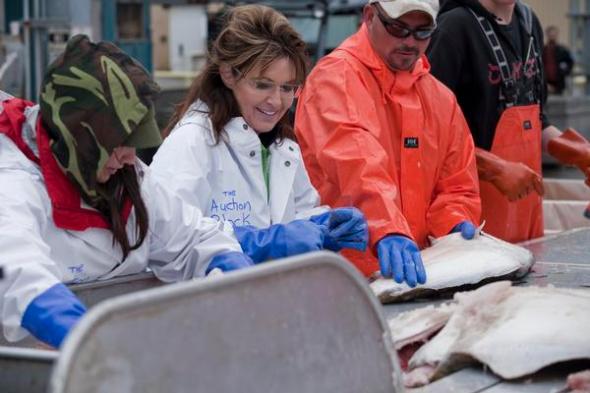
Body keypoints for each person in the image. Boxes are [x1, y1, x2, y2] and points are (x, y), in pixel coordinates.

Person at [0, 35, 261, 349]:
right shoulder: (13, 183)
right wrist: (87, 340)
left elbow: (189, 237)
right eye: (117, 144)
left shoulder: (123, 172)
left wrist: (229, 266)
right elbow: (18, 276)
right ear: (79, 138)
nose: (129, 157)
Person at [150, 5, 369, 261]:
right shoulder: (191, 141)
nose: (276, 102)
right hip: (210, 299)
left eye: (288, 88)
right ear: (229, 74)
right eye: (262, 85)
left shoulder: (282, 146)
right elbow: (163, 237)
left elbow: (293, 216)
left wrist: (323, 224)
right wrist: (256, 242)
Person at [294, 0, 481, 287]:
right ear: (370, 16)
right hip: (342, 278)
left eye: (422, 32)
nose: (409, 41)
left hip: (415, 273)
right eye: (398, 27)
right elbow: (356, 164)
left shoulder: (441, 99)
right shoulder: (335, 79)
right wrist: (387, 229)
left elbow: (457, 185)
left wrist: (455, 224)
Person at [427, 0, 590, 243]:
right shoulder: (453, 27)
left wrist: (578, 152)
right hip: (470, 220)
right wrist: (493, 169)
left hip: (526, 212)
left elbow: (536, 119)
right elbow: (428, 138)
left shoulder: (528, 22)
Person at [543, 25, 574, 95]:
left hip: (559, 82)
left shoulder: (562, 50)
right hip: (545, 82)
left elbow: (570, 63)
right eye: (550, 35)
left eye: (554, 35)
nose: (552, 36)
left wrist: (564, 71)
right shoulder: (543, 50)